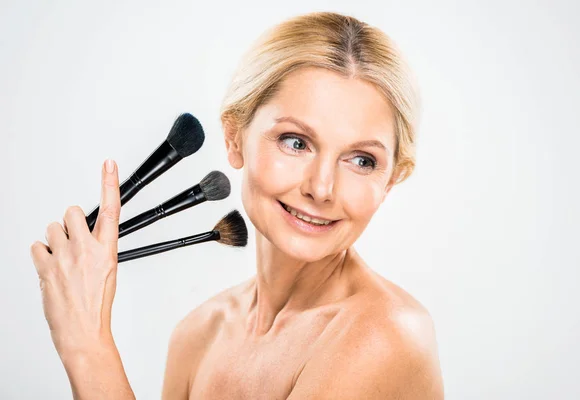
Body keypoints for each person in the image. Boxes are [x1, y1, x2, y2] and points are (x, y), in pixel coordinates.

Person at [30, 11, 444, 399]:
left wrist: (87, 345)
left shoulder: (385, 336)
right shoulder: (197, 335)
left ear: (391, 178)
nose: (322, 188)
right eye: (295, 142)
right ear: (233, 138)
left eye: (361, 161)